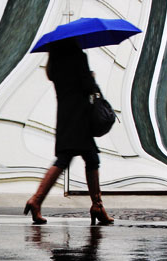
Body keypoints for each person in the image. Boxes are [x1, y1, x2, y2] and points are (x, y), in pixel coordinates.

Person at [23, 38, 113, 225]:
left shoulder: (54, 63)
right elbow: (87, 86)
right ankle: (95, 206)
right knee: (79, 159)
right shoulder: (78, 57)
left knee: (84, 158)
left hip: (66, 117)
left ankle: (96, 206)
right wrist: (92, 77)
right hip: (80, 118)